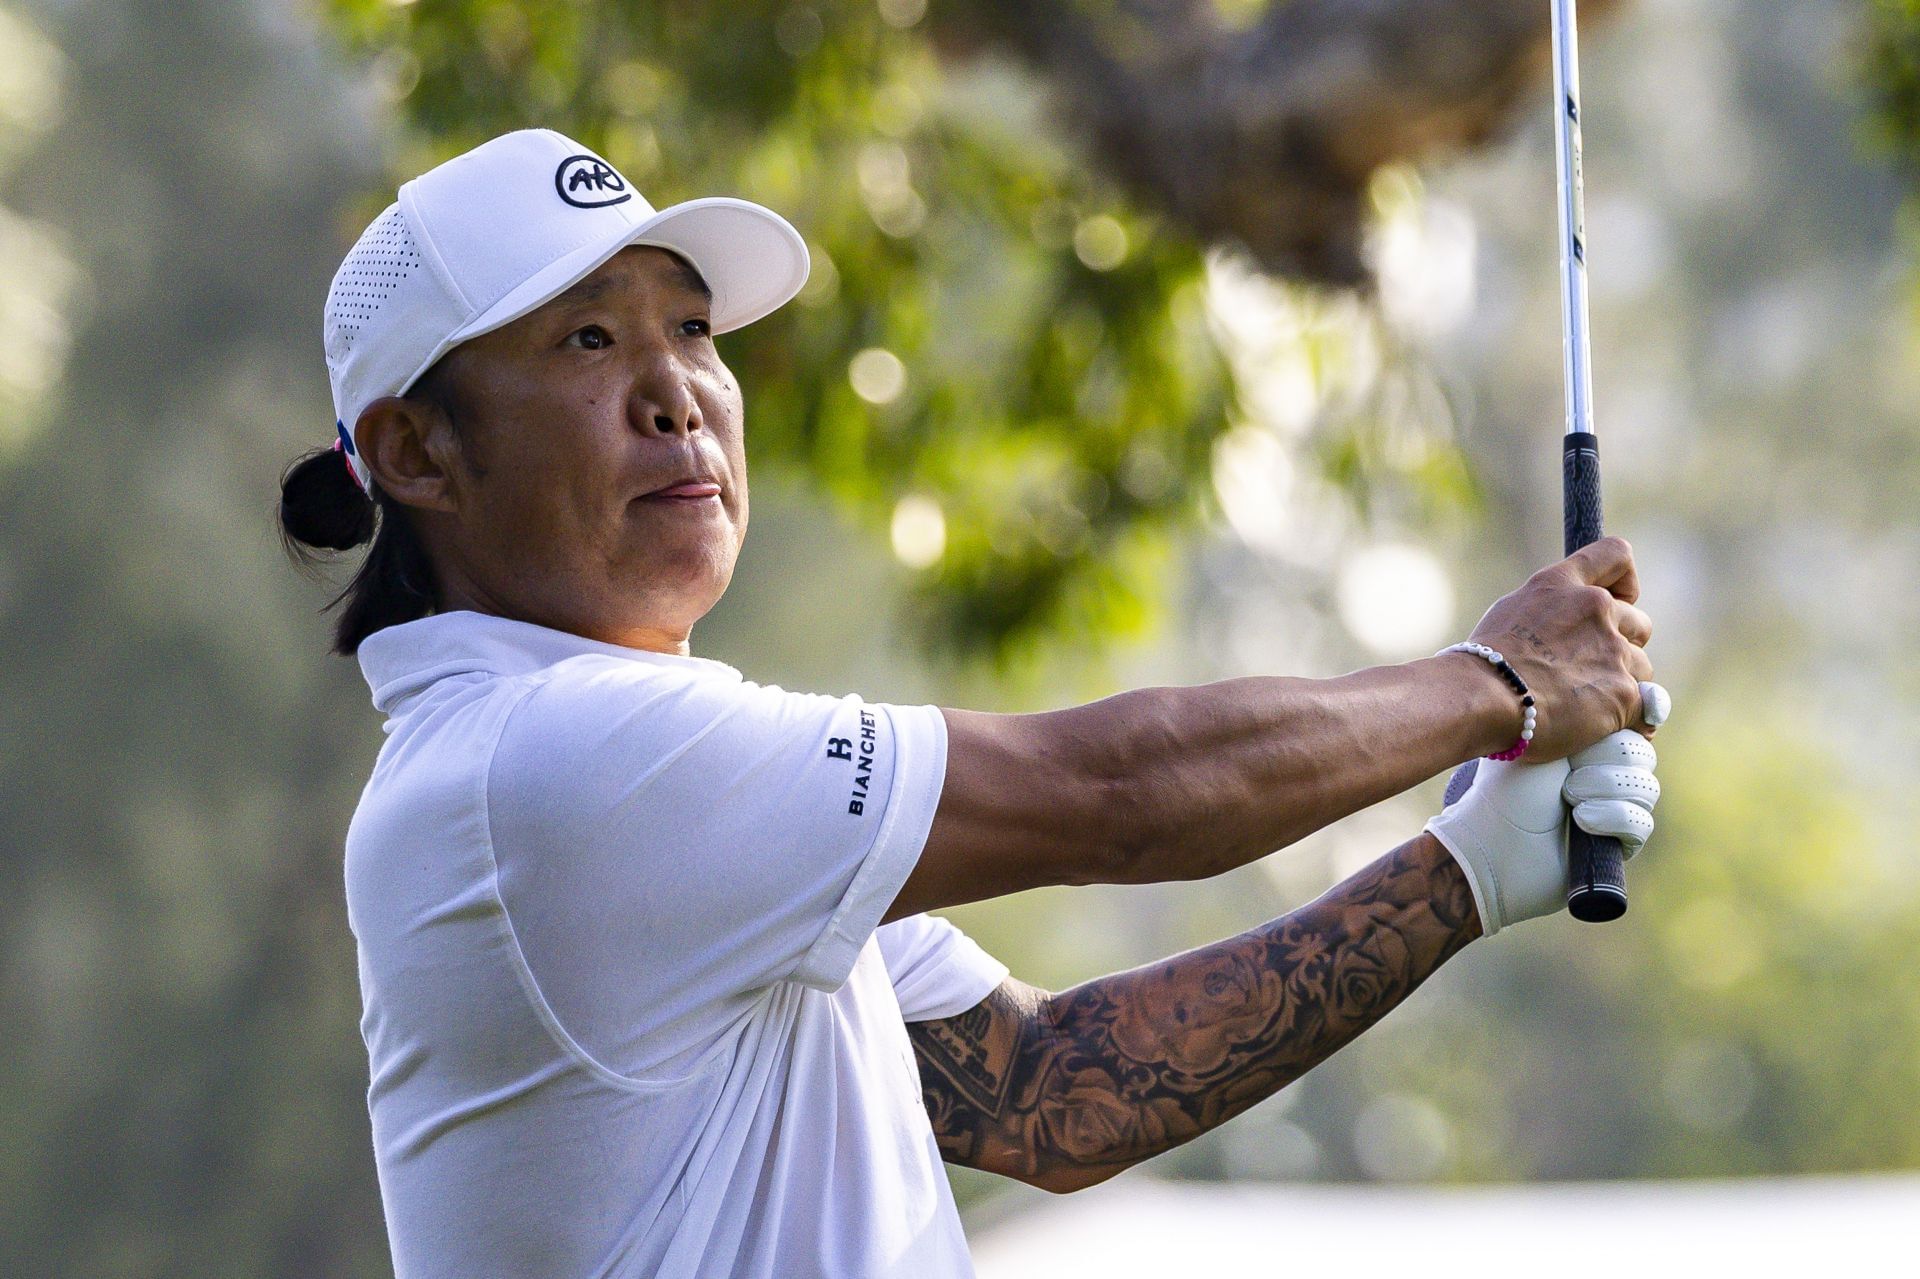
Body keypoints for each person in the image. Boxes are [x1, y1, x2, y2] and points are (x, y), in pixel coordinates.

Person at [279, 130, 1667, 1279]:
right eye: (587, 341)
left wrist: (1465, 873)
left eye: (693, 330)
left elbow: (1056, 1092)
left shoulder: (633, 783)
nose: (679, 396)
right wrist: (1497, 686)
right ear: (416, 450)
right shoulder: (551, 762)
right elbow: (1116, 796)